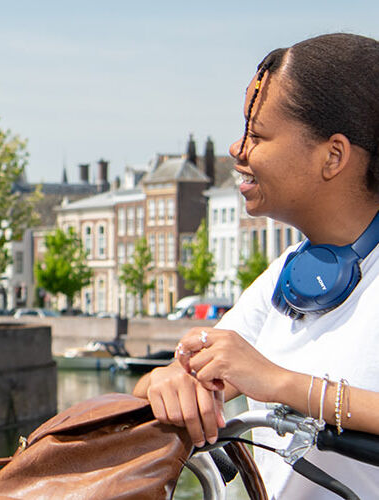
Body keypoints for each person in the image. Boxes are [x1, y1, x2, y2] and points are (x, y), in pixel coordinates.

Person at [133, 33, 379, 497]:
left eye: (258, 134)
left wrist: (279, 383)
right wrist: (167, 383)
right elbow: (167, 384)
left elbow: (262, 376)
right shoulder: (287, 275)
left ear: (333, 156)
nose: (237, 149)